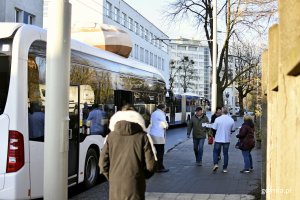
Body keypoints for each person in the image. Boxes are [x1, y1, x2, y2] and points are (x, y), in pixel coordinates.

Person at [99, 104, 157, 200]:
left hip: (115, 187)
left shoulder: (110, 137)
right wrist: (142, 177)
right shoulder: (143, 137)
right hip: (136, 186)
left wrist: (112, 177)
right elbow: (151, 165)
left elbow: (102, 164)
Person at [211, 107, 235, 173]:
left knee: (215, 152)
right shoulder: (231, 120)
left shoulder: (217, 119)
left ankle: (215, 164)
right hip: (227, 139)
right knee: (225, 153)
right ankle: (225, 168)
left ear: (221, 112)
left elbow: (214, 128)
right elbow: (233, 130)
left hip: (218, 138)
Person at [149, 104, 169, 173]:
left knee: (154, 151)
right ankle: (159, 167)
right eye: (165, 108)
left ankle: (154, 166)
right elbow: (164, 124)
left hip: (152, 133)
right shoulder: (161, 113)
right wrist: (166, 126)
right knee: (160, 152)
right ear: (163, 108)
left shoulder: (154, 113)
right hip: (159, 135)